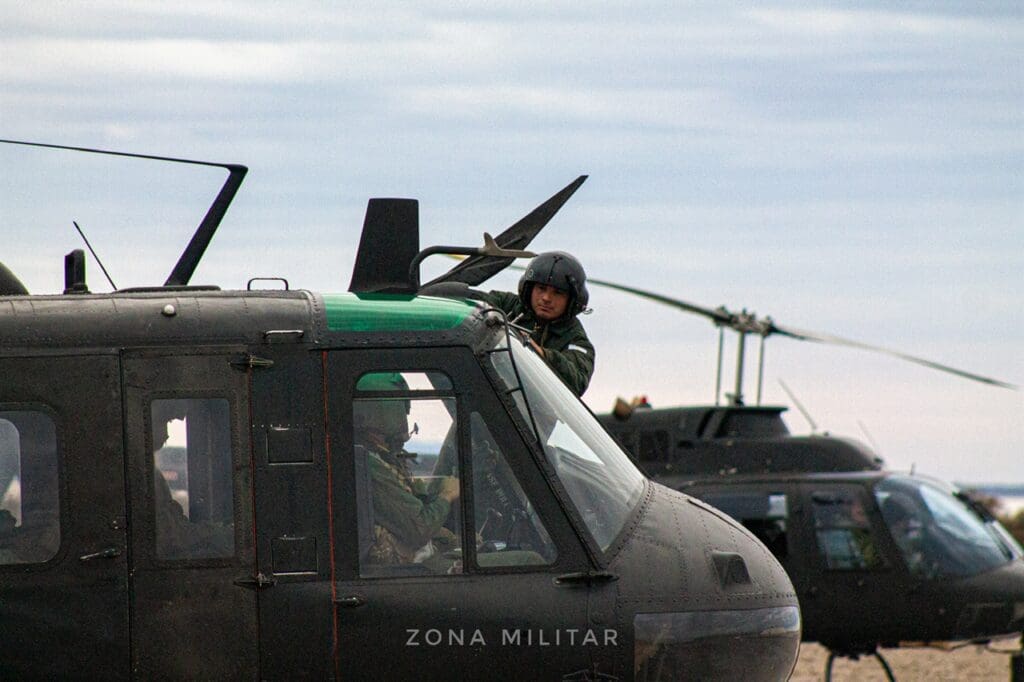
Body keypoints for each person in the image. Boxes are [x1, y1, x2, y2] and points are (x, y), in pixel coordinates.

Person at [354, 373, 460, 569]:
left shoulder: (377, 457)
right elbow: (420, 528)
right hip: (405, 569)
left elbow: (412, 506)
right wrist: (447, 495)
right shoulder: (368, 465)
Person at [484, 251, 595, 396]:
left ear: (572, 300)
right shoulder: (506, 305)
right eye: (541, 288)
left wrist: (541, 354)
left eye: (558, 292)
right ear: (529, 289)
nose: (546, 298)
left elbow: (577, 380)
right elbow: (476, 304)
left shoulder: (576, 339)